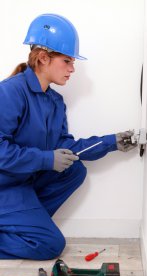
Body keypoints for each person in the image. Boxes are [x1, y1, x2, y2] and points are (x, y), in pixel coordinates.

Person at [0, 13, 136, 260]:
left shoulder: (55, 102)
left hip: (23, 183)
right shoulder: (10, 93)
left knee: (74, 170)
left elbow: (65, 147)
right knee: (50, 245)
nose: (72, 69)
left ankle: (26, 223)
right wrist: (45, 160)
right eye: (67, 61)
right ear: (43, 58)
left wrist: (111, 142)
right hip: (4, 187)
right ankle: (32, 229)